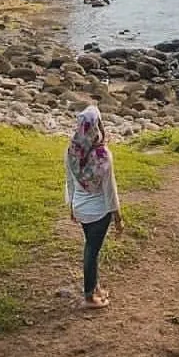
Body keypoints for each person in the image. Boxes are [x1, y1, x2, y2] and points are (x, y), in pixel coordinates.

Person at [64, 105, 123, 309]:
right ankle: (89, 297)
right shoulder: (103, 155)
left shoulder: (72, 150)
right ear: (98, 126)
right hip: (99, 212)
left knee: (91, 246)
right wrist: (118, 216)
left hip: (80, 207)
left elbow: (70, 181)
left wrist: (71, 205)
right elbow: (109, 190)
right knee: (91, 250)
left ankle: (94, 287)